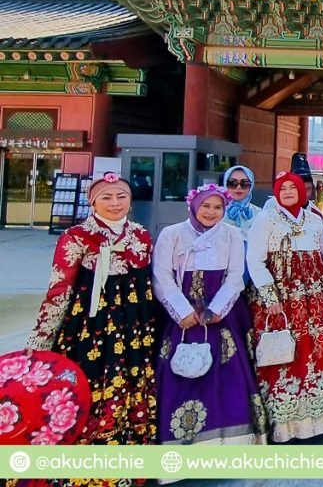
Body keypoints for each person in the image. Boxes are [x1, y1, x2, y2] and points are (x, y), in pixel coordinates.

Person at [25, 172, 158, 446]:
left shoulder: (141, 236)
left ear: (131, 202)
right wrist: (41, 338)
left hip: (134, 327)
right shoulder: (76, 237)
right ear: (92, 203)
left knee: (134, 380)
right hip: (89, 328)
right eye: (106, 198)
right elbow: (59, 289)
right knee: (87, 380)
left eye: (121, 196)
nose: (114, 203)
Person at [152, 184, 266, 447]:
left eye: (218, 207)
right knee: (179, 377)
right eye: (206, 206)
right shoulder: (172, 235)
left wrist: (217, 309)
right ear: (193, 205)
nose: (211, 212)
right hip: (182, 316)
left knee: (228, 378)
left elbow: (236, 277)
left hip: (219, 315)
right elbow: (162, 277)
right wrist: (182, 312)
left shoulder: (232, 235)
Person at [247, 172, 323, 441]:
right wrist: (270, 298)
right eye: (281, 188)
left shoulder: (313, 219)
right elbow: (255, 260)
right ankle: (288, 423)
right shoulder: (265, 219)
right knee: (288, 352)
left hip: (318, 295)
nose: (287, 192)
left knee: (322, 350)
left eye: (292, 187)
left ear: (302, 191)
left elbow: (322, 253)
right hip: (282, 298)